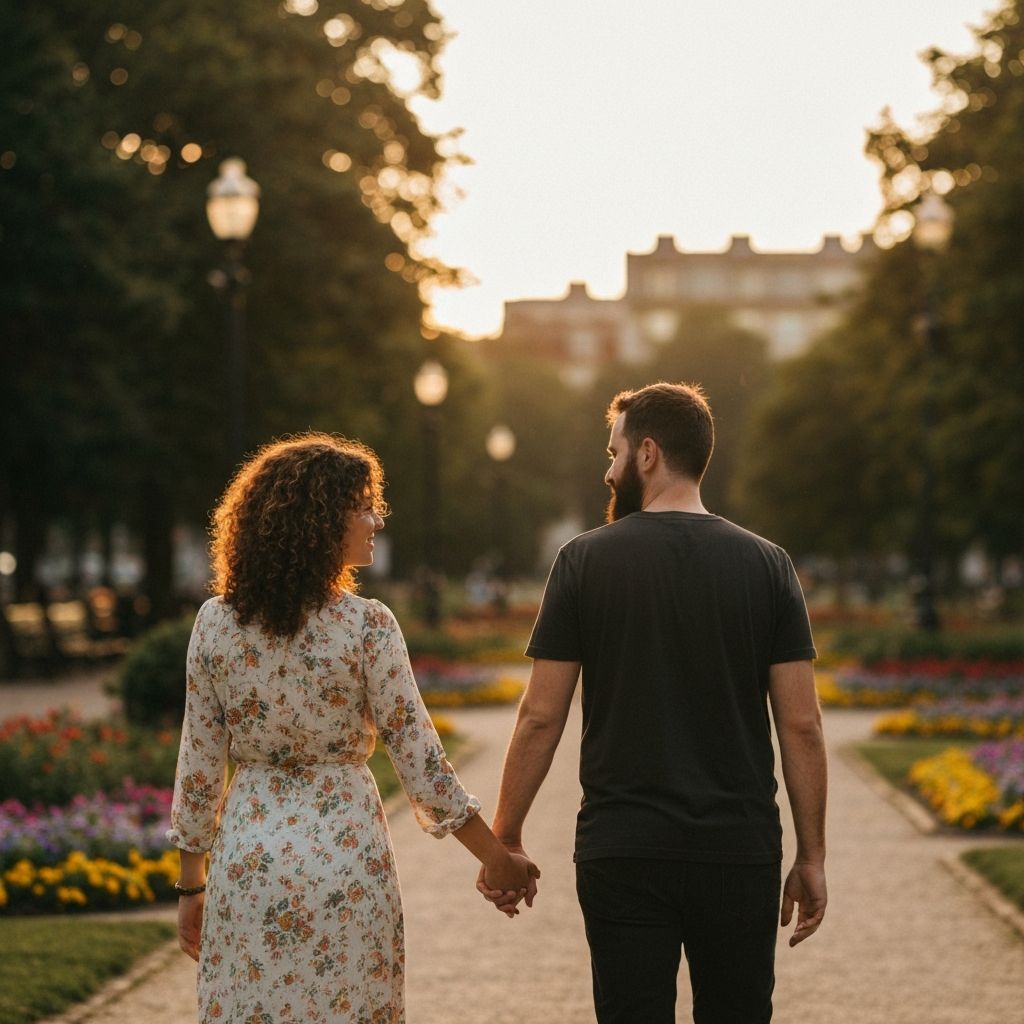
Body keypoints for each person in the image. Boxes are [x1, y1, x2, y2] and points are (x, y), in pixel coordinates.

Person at [478, 382, 828, 1023]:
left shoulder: (583, 561)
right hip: (737, 846)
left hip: (623, 846)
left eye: (612, 453)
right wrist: (811, 856)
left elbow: (540, 715)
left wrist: (506, 837)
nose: (606, 470)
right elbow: (801, 725)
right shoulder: (769, 565)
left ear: (646, 454)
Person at [167, 433, 537, 1024]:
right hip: (345, 861)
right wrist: (496, 858)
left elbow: (199, 767)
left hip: (248, 862)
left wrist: (191, 889)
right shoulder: (366, 627)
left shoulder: (216, 624)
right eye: (363, 506)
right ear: (322, 522)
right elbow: (421, 761)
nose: (375, 520)